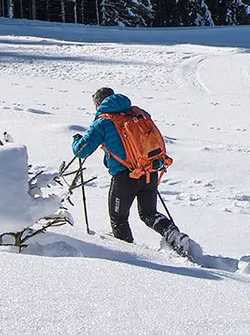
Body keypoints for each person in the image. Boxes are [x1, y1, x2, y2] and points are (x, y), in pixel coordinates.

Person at [72, 88, 199, 261]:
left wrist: (75, 140)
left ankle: (128, 257)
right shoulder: (138, 113)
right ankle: (176, 238)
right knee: (149, 213)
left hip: (125, 178)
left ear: (98, 104)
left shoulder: (103, 122)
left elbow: (81, 151)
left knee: (118, 218)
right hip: (150, 171)